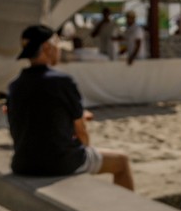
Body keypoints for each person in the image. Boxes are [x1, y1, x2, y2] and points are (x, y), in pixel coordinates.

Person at [7, 24, 134, 189]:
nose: (60, 49)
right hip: (60, 163)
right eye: (58, 44)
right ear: (47, 47)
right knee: (121, 162)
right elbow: (81, 130)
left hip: (23, 164)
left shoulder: (15, 85)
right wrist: (85, 147)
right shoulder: (62, 82)